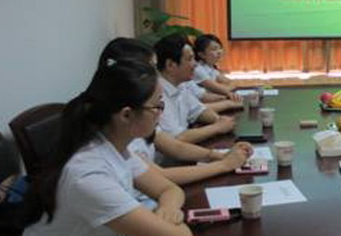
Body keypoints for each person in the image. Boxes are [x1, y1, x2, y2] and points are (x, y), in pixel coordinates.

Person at [1, 59, 193, 236]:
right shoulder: (88, 174)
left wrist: (168, 211)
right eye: (158, 106)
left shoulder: (113, 148)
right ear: (126, 115)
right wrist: (169, 220)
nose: (161, 113)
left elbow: (169, 190)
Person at [99, 38, 251, 192]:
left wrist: (220, 156)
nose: (156, 74)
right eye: (151, 68)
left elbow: (175, 146)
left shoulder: (140, 111)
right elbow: (163, 174)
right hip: (161, 182)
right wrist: (224, 163)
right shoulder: (121, 126)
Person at [155, 34, 236, 144]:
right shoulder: (157, 95)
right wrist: (217, 127)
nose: (195, 65)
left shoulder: (181, 85)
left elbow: (198, 111)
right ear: (170, 65)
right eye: (190, 59)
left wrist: (219, 120)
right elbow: (177, 138)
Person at [193, 34, 241, 101]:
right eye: (214, 49)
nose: (219, 52)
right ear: (202, 54)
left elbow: (230, 82)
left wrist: (227, 86)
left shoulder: (210, 67)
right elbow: (222, 89)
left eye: (220, 48)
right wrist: (225, 87)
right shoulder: (198, 69)